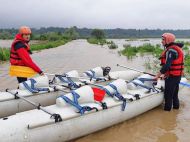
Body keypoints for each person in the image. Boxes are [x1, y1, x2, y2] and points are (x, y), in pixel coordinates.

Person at [155, 33, 184, 111]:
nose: (161, 41)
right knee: (175, 95)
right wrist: (164, 74)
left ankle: (167, 116)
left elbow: (167, 66)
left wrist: (158, 75)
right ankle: (175, 112)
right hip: (177, 76)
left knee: (168, 96)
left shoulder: (171, 51)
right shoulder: (174, 49)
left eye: (163, 39)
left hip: (172, 77)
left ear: (168, 40)